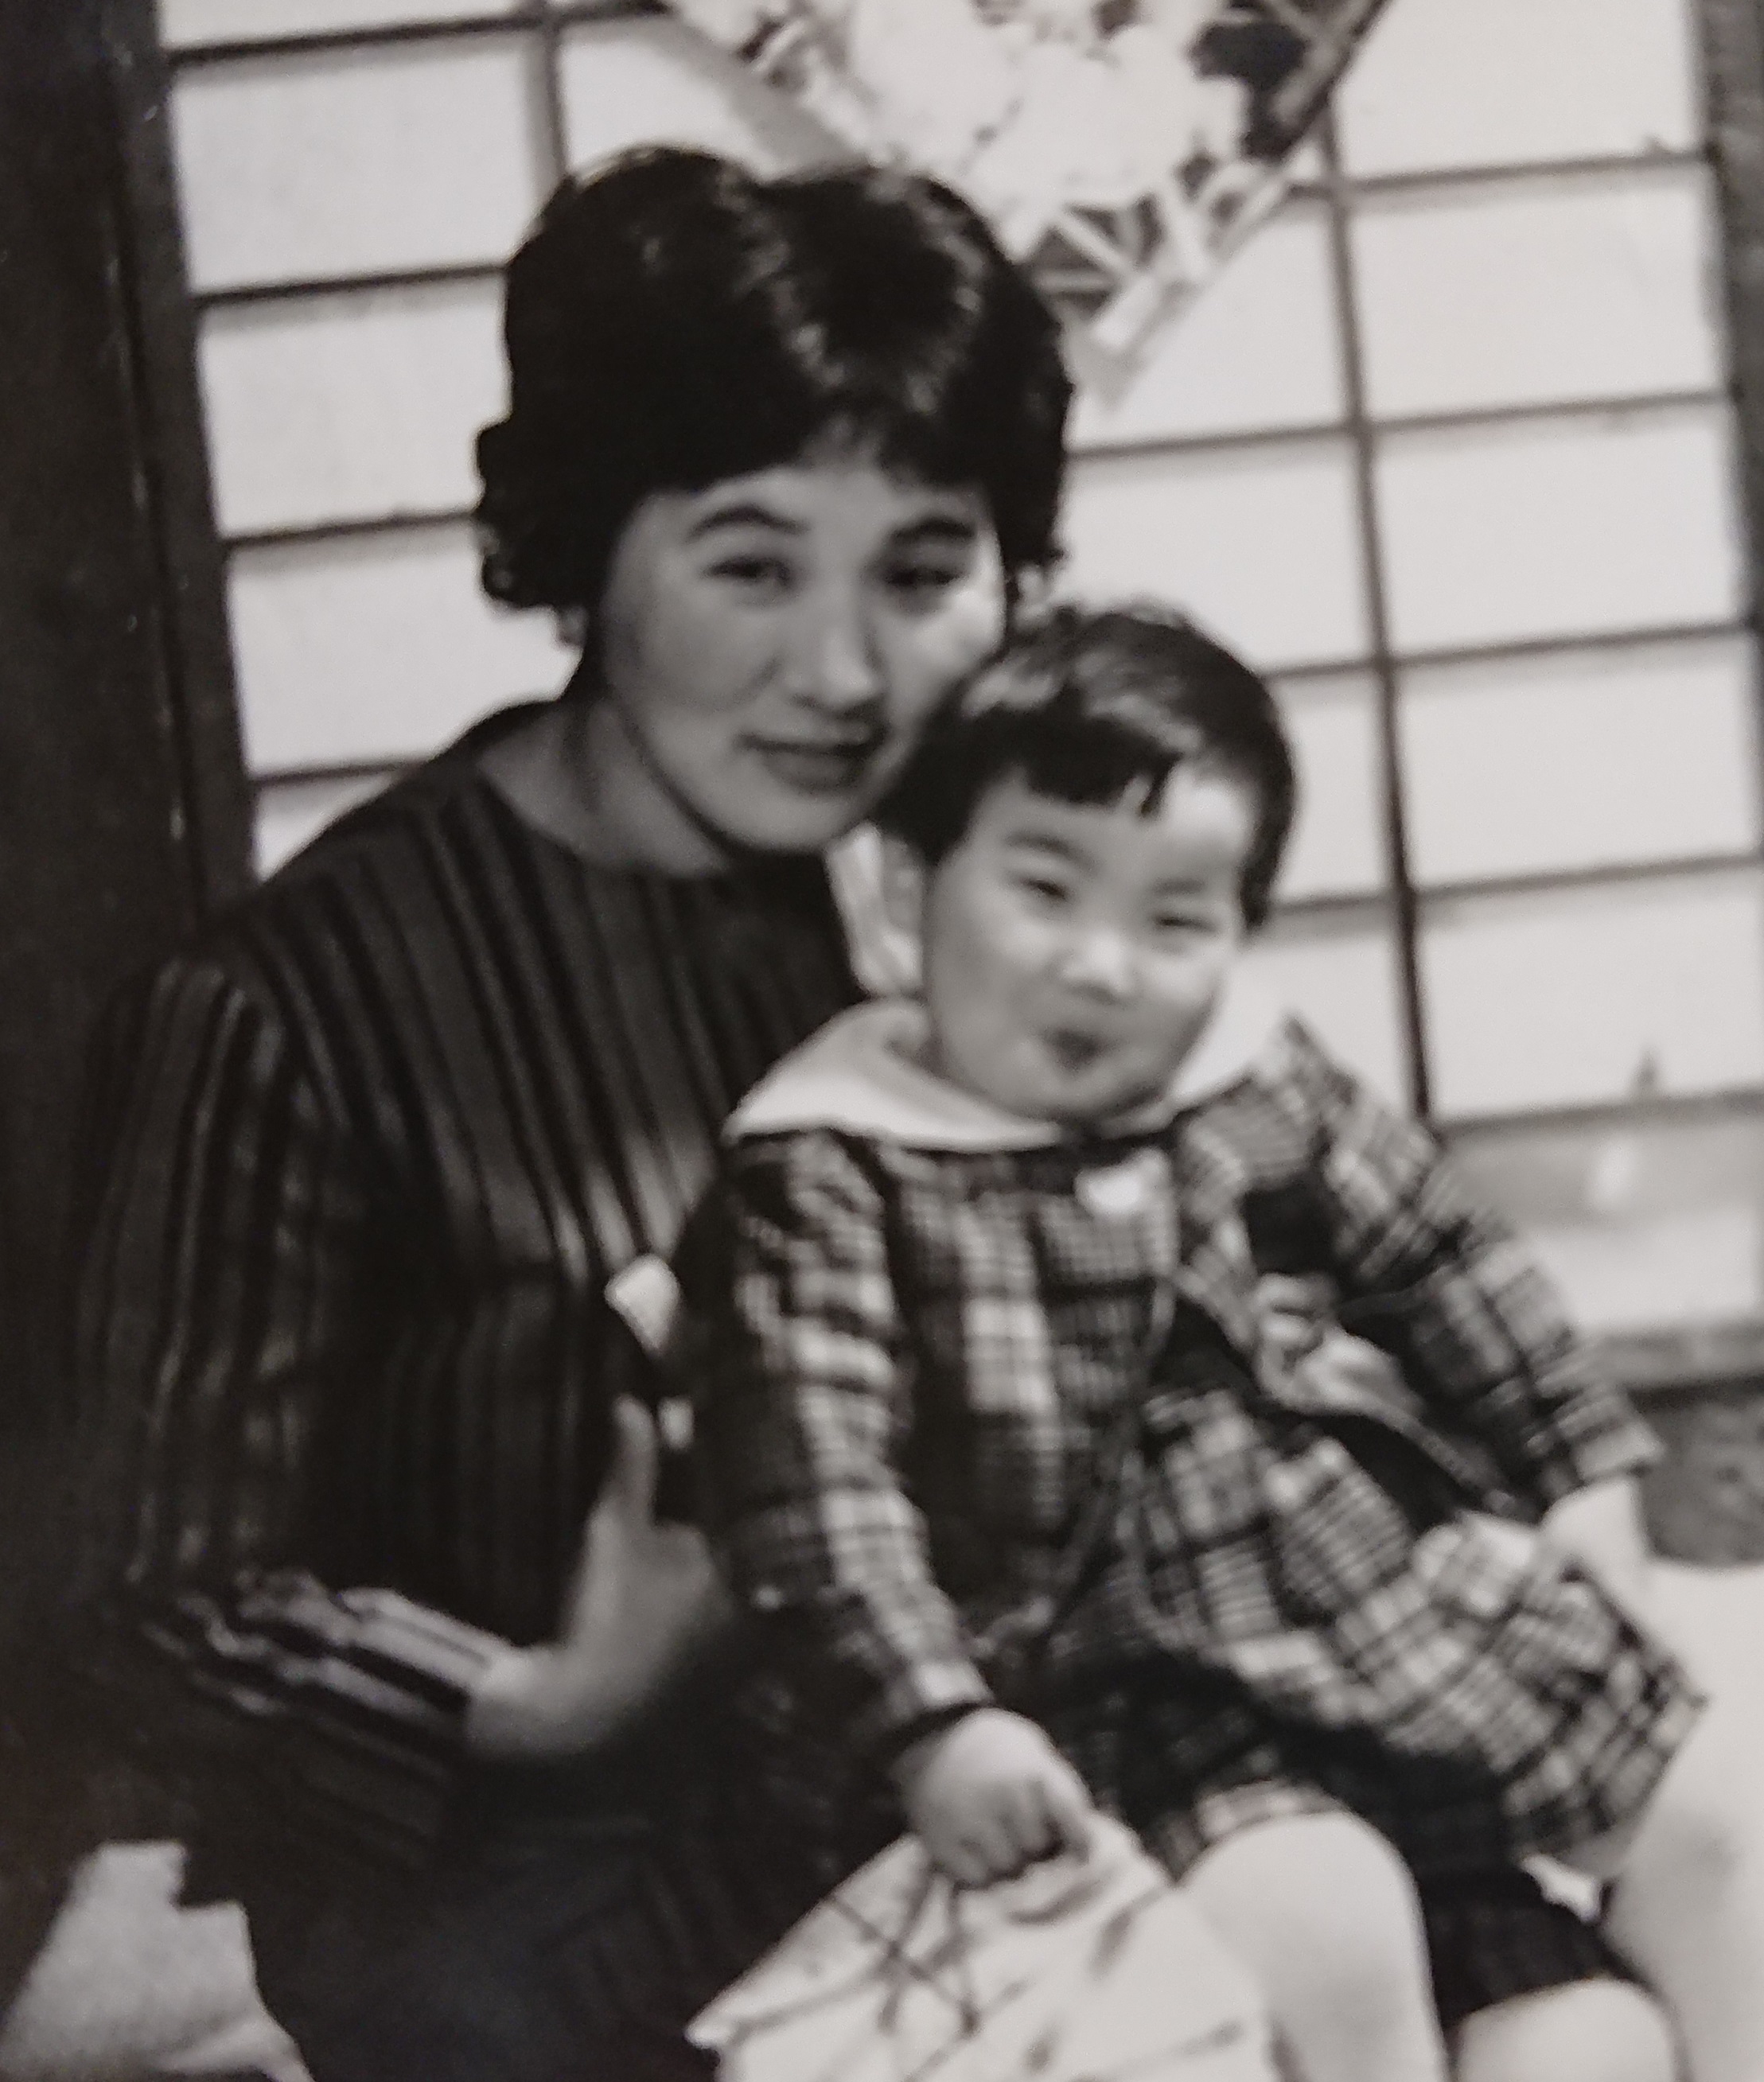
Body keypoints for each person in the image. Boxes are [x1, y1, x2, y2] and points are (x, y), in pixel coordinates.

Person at [64, 142, 1677, 2082]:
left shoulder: (990, 906)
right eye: (747, 565)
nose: (838, 674)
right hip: (565, 1861)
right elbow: (141, 1603)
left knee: (1578, 2002)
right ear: (586, 548)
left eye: (920, 575)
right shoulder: (286, 1009)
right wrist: (550, 1696)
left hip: (1063, 1740)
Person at [690, 603, 1763, 2082]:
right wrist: (934, 1726)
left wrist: (1580, 1476)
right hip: (1118, 1679)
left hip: (1361, 1595)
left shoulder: (1252, 1086)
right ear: (907, 885)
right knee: (1327, 1923)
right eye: (1044, 888)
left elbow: (1446, 1260)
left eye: (1175, 920)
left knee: (1691, 1825)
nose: (1102, 965)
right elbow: (817, 1501)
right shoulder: (831, 1168)